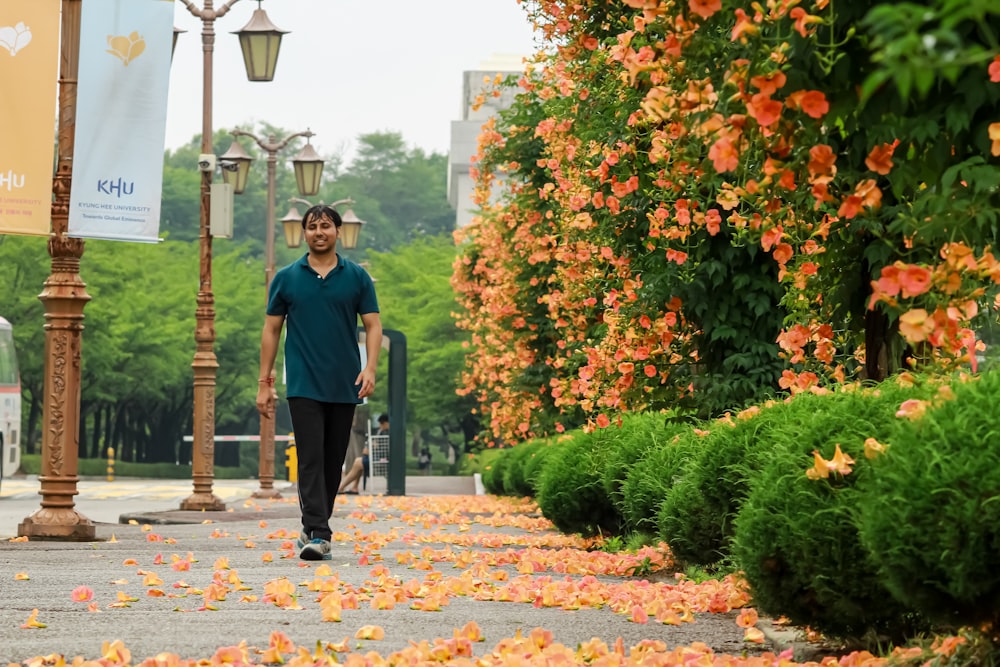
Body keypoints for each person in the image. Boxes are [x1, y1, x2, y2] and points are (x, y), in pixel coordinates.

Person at [256, 204, 382, 561]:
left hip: (345, 382)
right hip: (303, 383)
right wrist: (265, 382)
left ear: (338, 231)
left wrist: (369, 367)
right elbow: (271, 329)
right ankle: (319, 531)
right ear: (304, 233)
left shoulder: (356, 277)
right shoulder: (286, 278)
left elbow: (373, 325)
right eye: (312, 227)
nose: (319, 232)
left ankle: (314, 525)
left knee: (332, 460)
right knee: (310, 457)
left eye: (325, 226)